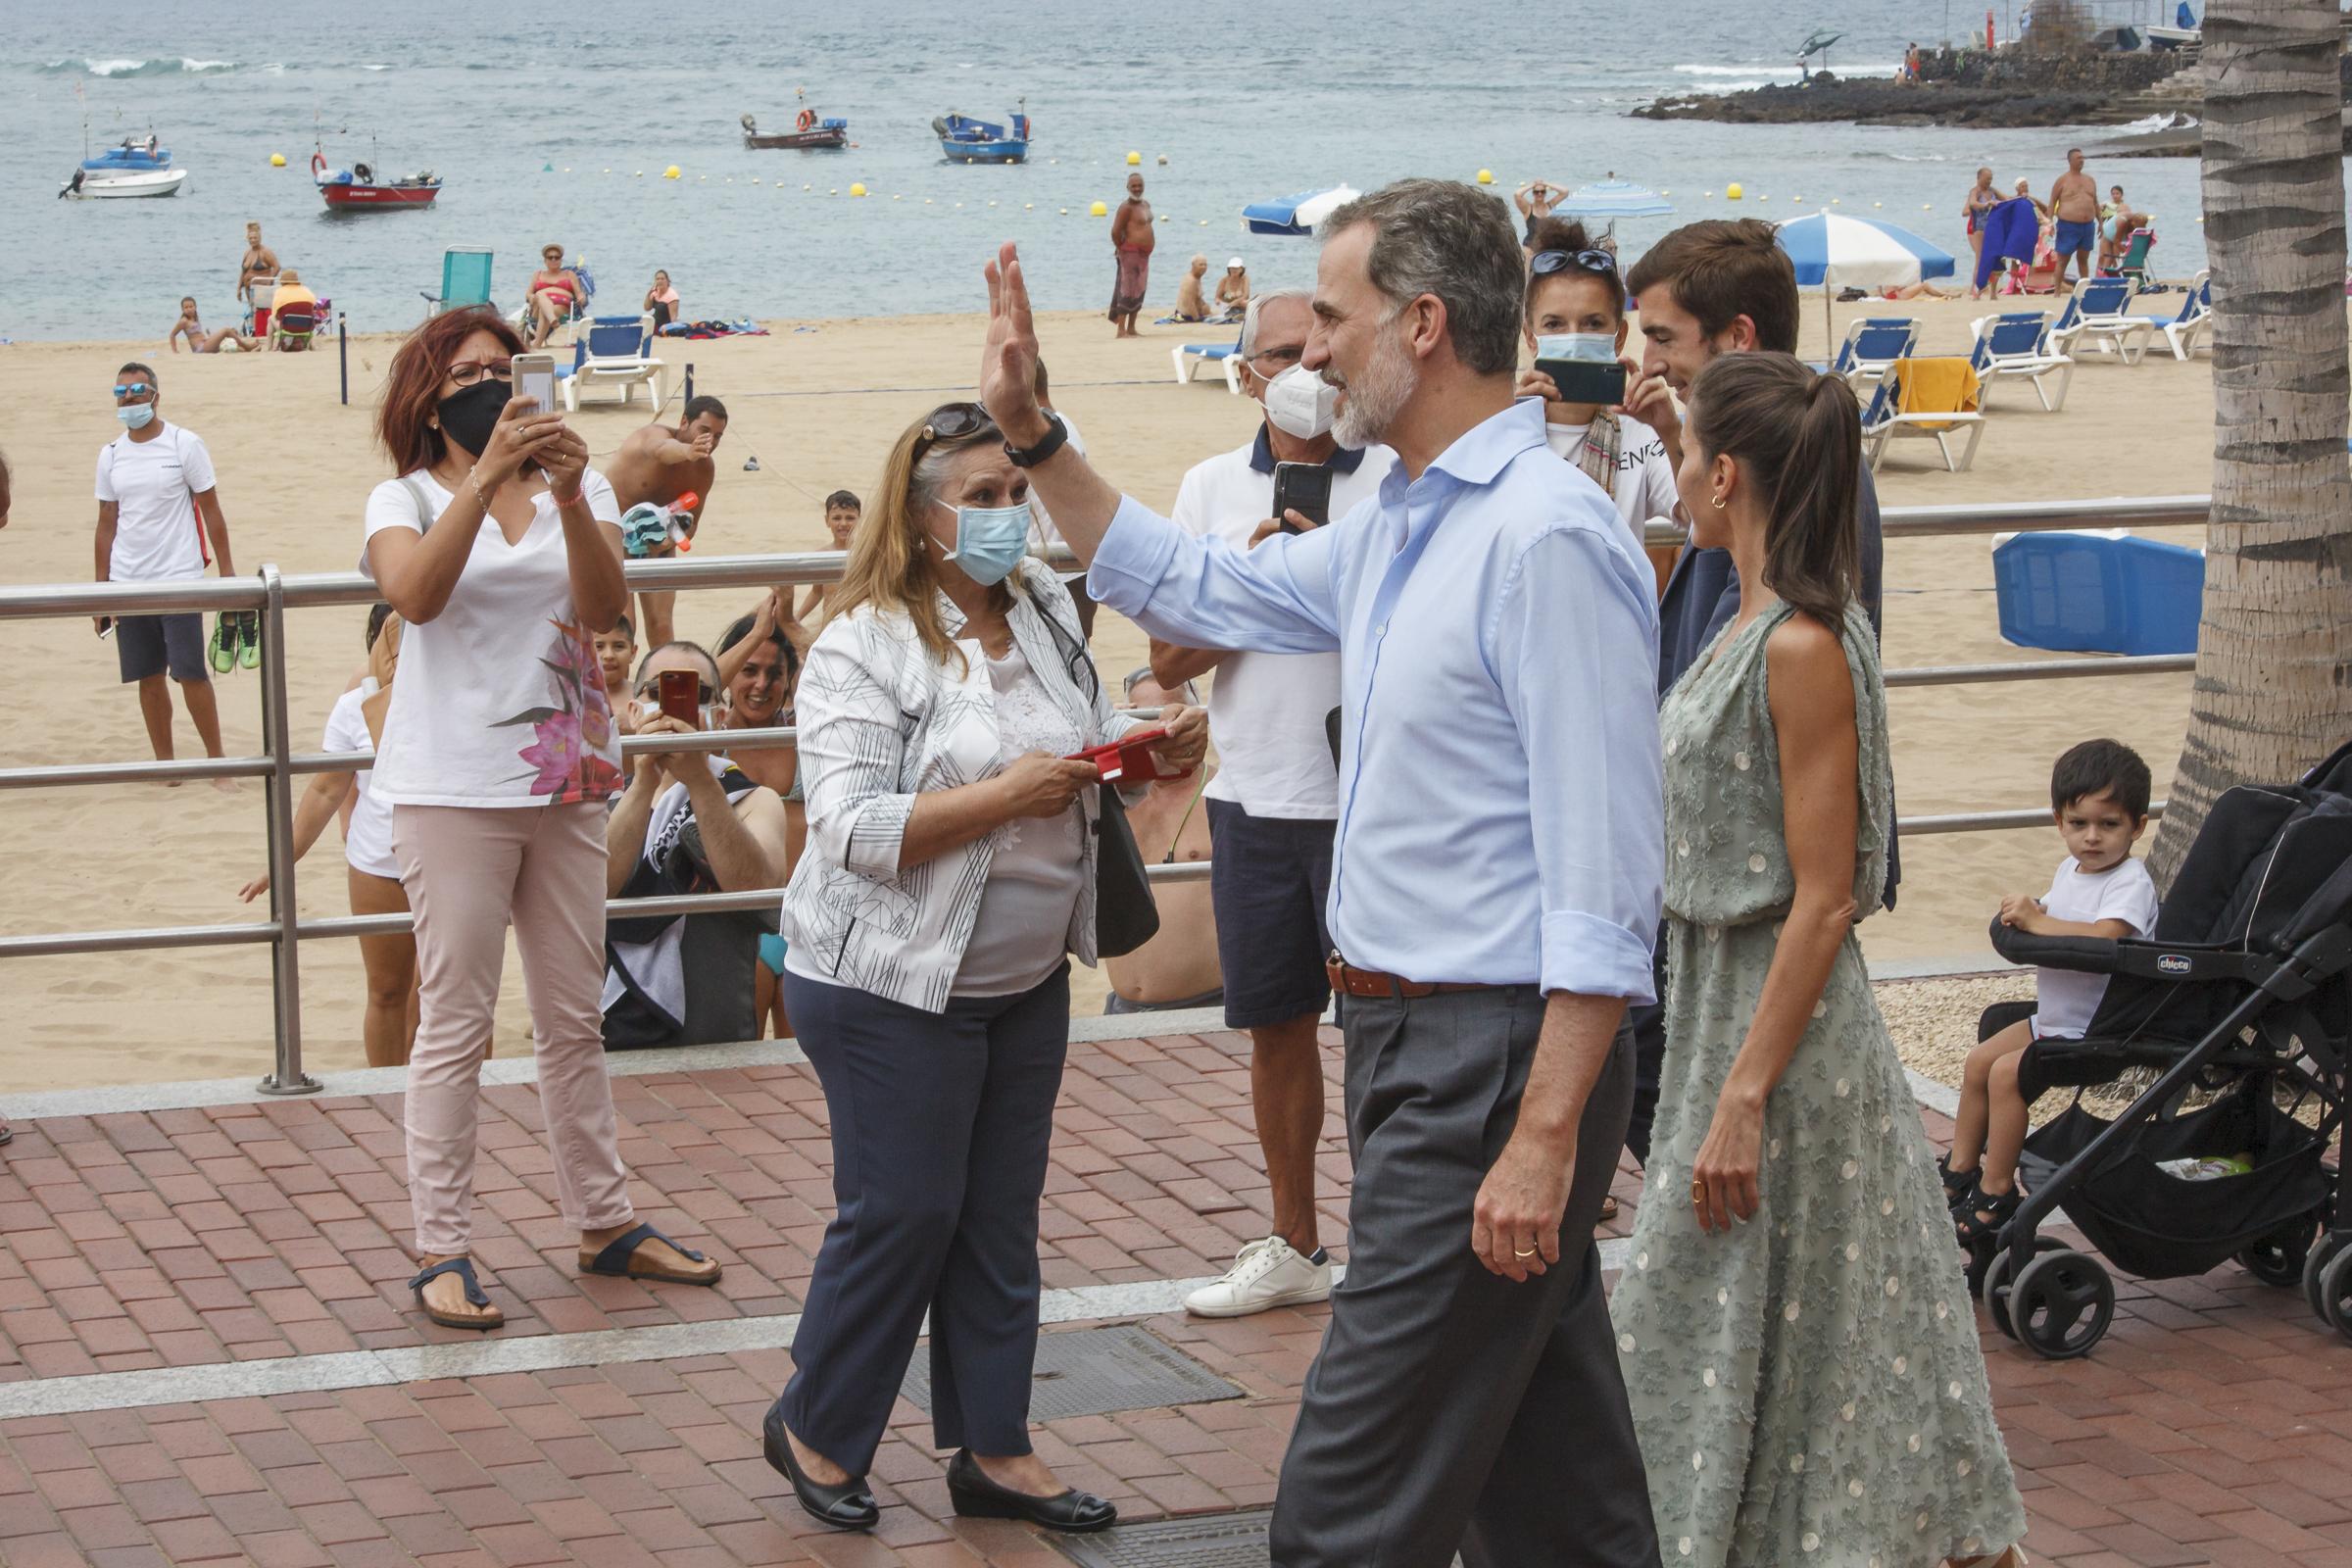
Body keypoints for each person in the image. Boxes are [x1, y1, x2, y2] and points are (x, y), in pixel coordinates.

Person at [980, 175, 1665, 1565]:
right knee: (1556, 1493)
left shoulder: (1546, 536)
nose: (1310, 359)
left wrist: (1544, 1138)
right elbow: (1195, 590)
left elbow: (1607, 875)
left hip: (1489, 1060)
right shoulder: (1408, 520)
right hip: (1419, 1041)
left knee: (1345, 1507)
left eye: (1330, 327)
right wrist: (1037, 437)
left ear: (1423, 324)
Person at [1605, 350, 2026, 1568]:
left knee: (1768, 1317)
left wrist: (1743, 1093)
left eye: (1686, 455)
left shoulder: (1798, 641)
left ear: (1725, 473)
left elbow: (1827, 895)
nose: (1675, 475)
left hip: (1779, 1028)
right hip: (1718, 1004)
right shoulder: (1741, 610)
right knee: (1773, 1327)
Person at [761, 400, 1205, 1535]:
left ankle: (995, 1449)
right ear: (920, 521)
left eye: (1019, 494)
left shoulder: (1047, 603)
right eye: (987, 499)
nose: (1014, 516)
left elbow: (1084, 722)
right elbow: (851, 827)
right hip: (886, 982)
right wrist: (1008, 796)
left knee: (998, 1214)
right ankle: (817, 1421)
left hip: (1022, 977)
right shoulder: (864, 642)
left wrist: (1148, 737)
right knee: (905, 1210)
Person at [362, 306, 720, 1333]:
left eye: (503, 369)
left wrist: (564, 488)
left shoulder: (587, 486)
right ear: (429, 398)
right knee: (456, 1019)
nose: (490, 388)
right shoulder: (404, 495)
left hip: (567, 778)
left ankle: (604, 1220)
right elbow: (415, 599)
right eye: (468, 375)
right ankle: (442, 1243)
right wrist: (482, 481)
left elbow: (606, 606)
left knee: (572, 1015)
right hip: (452, 787)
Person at [1620, 217, 1893, 1169]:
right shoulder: (1737, 506)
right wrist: (1673, 434)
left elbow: (1820, 856)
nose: (1640, 356)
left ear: (1737, 338)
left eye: (1660, 336)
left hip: (1742, 904)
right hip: (1706, 895)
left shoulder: (1800, 596)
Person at [1147, 284, 1396, 1319]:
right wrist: (1251, 581)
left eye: (1319, 346)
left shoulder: (1394, 474)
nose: (1306, 367)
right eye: (1282, 353)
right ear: (1246, 372)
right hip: (1257, 794)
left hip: (1378, 795)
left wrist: (1328, 572)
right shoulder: (1208, 488)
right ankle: (1294, 1236)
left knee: (1390, 1030)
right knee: (1277, 1026)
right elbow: (1167, 657)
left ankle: (1392, 1246)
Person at [1944, 740, 2156, 1240]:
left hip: (2102, 1026)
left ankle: (1997, 1192)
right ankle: (1958, 1174)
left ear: (2138, 826)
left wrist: (2038, 921)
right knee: (1980, 1060)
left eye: (2109, 825)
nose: (2092, 838)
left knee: (2005, 1076)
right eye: (2078, 824)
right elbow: (2052, 915)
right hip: (2059, 1018)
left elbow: (2107, 936)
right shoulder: (2070, 870)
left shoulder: (2130, 881)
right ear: (2058, 820)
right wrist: (2025, 913)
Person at [238, 606, 417, 1065]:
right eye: (386, 642)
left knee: (453, 996)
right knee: (386, 991)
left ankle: (468, 1102)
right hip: (378, 864)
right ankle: (385, 1094)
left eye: (408, 638)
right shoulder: (351, 708)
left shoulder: (458, 697)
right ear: (372, 648)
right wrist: (281, 862)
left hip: (452, 863)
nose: (395, 653)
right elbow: (324, 789)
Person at [604, 640, 799, 1049]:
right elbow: (595, 887)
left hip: (714, 1022)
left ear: (719, 718)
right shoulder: (605, 803)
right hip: (607, 1021)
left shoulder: (752, 798)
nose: (675, 708)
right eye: (658, 692)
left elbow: (756, 892)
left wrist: (699, 781)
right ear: (634, 711)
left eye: (698, 695)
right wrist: (644, 782)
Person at [96, 363, 237, 787]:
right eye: (121, 392)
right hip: (128, 581)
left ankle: (218, 764)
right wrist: (99, 591)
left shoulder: (184, 444)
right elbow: (106, 522)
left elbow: (211, 510)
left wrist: (228, 576)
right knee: (148, 675)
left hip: (179, 577)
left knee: (191, 672)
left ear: (156, 395)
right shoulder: (112, 454)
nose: (129, 398)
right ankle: (167, 766)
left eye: (137, 390)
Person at [1517, 220, 1681, 565]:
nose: (1574, 336)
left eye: (1593, 323)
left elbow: (1697, 516)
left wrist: (1669, 431)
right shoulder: (1506, 429)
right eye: (1554, 324)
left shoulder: (1641, 431)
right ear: (1531, 337)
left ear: (1618, 336)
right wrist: (1511, 429)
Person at [1102, 669, 1222, 1014]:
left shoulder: (1222, 794)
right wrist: (1108, 733)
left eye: (1170, 715)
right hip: (1121, 1007)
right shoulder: (1111, 799)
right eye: (1145, 718)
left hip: (1210, 1004)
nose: (1160, 732)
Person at [710, 610, 806, 1037]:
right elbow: (701, 688)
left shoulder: (806, 731)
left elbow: (842, 669)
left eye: (775, 673)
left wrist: (790, 625)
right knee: (738, 1061)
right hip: (738, 924)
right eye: (748, 669)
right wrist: (756, 637)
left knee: (805, 1068)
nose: (762, 685)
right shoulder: (710, 738)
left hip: (806, 920)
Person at [607, 395, 729, 648]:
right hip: (613, 535)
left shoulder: (704, 468)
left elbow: (692, 523)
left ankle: (661, 682)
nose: (710, 441)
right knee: (622, 624)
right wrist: (688, 451)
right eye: (704, 431)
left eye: (717, 436)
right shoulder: (652, 435)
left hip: (658, 540)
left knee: (661, 625)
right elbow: (661, 451)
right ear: (684, 422)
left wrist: (665, 543)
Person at [797, 489, 863, 624]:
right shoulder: (822, 556)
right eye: (836, 518)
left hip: (858, 622)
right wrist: (797, 618)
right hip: (830, 623)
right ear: (827, 521)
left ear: (859, 520)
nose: (843, 524)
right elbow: (817, 592)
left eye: (850, 518)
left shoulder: (865, 554)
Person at [1109, 172, 1154, 337]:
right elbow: (1115, 231)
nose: (1137, 189)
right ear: (1127, 187)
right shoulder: (1125, 208)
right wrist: (1121, 247)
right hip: (1129, 253)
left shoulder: (1145, 205)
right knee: (1126, 290)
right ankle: (1121, 329)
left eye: (1139, 185)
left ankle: (1132, 327)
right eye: (1133, 186)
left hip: (1143, 255)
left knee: (1139, 290)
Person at [2050, 147, 2101, 290]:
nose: (2082, 160)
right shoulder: (2062, 180)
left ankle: (2085, 289)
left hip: (2088, 225)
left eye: (2083, 158)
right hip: (2068, 225)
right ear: (2070, 161)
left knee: (2083, 259)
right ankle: (2057, 290)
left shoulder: (2090, 180)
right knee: (2063, 259)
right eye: (2079, 158)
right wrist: (2049, 223)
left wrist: (2101, 223)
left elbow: (2095, 202)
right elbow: (2052, 202)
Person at [526, 244, 586, 348]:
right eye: (550, 257)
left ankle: (537, 345)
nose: (554, 260)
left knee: (543, 309)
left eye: (557, 257)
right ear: (545, 261)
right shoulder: (538, 274)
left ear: (561, 260)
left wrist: (582, 298)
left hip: (561, 308)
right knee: (540, 296)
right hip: (538, 307)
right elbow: (528, 293)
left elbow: (579, 293)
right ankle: (552, 319)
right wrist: (531, 297)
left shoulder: (569, 274)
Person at [592, 612, 639, 731]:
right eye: (599, 646)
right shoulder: (572, 698)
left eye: (618, 646)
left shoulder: (642, 697)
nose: (609, 655)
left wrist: (635, 729)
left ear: (633, 653)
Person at [1963, 168, 2000, 296]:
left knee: (1997, 258)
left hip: (1994, 228)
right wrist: (1986, 205)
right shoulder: (1975, 191)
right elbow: (1972, 204)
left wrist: (2019, 198)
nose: (1989, 181)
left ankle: (1993, 293)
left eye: (1991, 179)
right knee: (1980, 259)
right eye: (1987, 179)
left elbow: (2007, 199)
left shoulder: (1993, 190)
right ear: (1979, 178)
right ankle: (1976, 291)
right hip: (1979, 228)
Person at [2099, 185, 2150, 270]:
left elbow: (2131, 240)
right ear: (2134, 222)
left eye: (2117, 193)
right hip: (2109, 232)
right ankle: (2102, 277)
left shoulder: (2129, 211)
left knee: (2117, 255)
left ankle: (2115, 272)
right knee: (2107, 257)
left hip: (2120, 232)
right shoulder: (2122, 221)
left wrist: (2132, 253)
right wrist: (2127, 253)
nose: (2115, 195)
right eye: (2113, 194)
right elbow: (2116, 241)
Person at [236, 221, 278, 305]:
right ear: (247, 239)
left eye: (255, 238)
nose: (253, 240)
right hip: (249, 290)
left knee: (260, 312)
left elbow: (277, 267)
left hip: (262, 290)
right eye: (251, 238)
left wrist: (268, 282)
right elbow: (243, 272)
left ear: (259, 238)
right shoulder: (247, 253)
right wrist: (239, 288)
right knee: (252, 311)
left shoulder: (265, 252)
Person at [1174, 253, 1212, 321]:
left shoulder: (1196, 277)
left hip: (1188, 313)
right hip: (1187, 316)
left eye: (1205, 265)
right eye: (1201, 264)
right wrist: (1197, 319)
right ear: (1193, 265)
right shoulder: (1191, 281)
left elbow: (1197, 298)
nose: (1203, 267)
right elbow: (1189, 303)